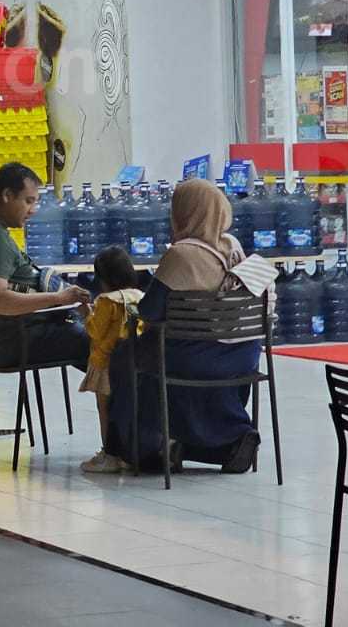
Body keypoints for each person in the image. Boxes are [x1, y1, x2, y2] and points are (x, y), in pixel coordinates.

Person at [106, 178, 263, 474]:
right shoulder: (233, 246)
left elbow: (150, 311)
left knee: (127, 356)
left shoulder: (181, 254)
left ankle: (144, 449)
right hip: (243, 356)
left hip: (191, 359)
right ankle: (227, 438)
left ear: (185, 212)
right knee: (175, 362)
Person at [0, 162, 90, 373]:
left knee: (104, 350)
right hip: (19, 340)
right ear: (7, 195)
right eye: (28, 201)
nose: (33, 210)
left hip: (6, 338)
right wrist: (59, 298)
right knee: (110, 345)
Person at [79, 245, 143, 475]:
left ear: (103, 278)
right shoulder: (139, 296)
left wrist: (86, 314)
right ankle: (128, 452)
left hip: (105, 364)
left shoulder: (106, 301)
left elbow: (96, 331)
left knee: (104, 408)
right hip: (132, 363)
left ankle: (109, 453)